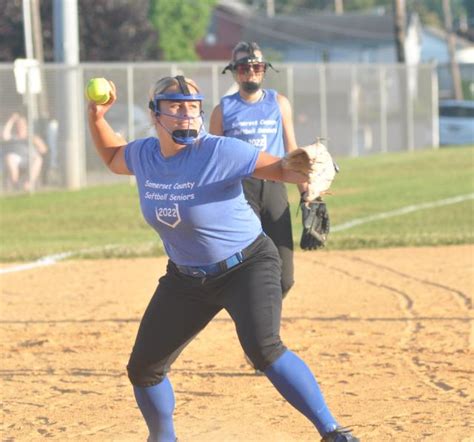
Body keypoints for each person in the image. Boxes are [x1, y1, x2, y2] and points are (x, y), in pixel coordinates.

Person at [87, 75, 359, 442]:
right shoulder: (145, 155)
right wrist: (96, 117)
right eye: (175, 106)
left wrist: (306, 170)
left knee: (264, 349)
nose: (186, 115)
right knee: (144, 368)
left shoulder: (219, 151)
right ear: (155, 114)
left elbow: (278, 169)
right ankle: (162, 437)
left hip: (246, 265)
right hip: (186, 279)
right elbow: (112, 156)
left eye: (193, 107)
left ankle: (333, 432)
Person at [209, 41, 301, 299]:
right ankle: (255, 319)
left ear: (264, 69)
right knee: (248, 265)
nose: (251, 72)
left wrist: (308, 195)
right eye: (244, 68)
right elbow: (212, 161)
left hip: (274, 186)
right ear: (234, 71)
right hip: (240, 191)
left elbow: (292, 152)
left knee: (285, 277)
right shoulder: (223, 110)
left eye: (257, 66)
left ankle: (265, 313)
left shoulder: (278, 103)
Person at [1, 112, 48, 191]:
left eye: (22, 124)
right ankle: (16, 184)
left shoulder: (32, 136)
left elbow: (44, 150)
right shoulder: (12, 136)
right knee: (10, 157)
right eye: (18, 124)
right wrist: (12, 120)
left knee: (38, 159)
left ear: (26, 125)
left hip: (29, 158)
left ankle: (28, 184)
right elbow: (4, 135)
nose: (20, 126)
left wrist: (37, 143)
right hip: (16, 158)